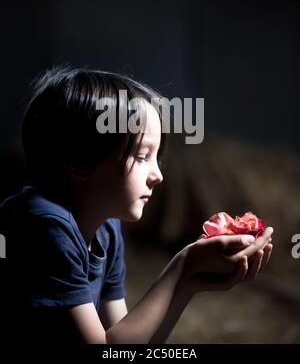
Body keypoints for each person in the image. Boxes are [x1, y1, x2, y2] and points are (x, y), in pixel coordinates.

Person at [0, 66, 273, 345]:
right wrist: (180, 266)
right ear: (80, 161)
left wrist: (189, 282)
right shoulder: (45, 226)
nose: (158, 175)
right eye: (142, 156)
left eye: (157, 158)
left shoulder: (106, 230)